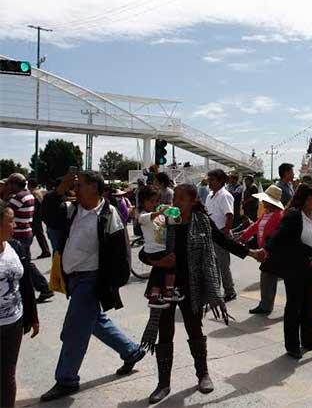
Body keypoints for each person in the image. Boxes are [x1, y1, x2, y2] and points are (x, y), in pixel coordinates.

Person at [142, 183, 262, 404]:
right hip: (163, 285)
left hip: (191, 286)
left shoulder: (202, 222)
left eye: (179, 198)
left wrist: (251, 253)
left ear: (193, 201)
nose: (174, 202)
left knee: (194, 328)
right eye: (174, 198)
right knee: (164, 331)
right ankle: (163, 383)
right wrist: (156, 260)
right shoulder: (164, 220)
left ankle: (203, 374)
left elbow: (224, 241)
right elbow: (145, 250)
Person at [40, 171, 145, 402]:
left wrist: (112, 284)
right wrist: (58, 190)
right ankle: (131, 351)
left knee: (74, 330)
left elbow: (121, 253)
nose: (75, 188)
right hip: (74, 279)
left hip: (91, 280)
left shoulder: (110, 215)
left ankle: (66, 380)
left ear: (95, 189)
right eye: (74, 185)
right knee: (94, 321)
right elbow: (46, 215)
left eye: (81, 185)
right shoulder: (71, 210)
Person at [262, 184, 312, 359]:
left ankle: (308, 339)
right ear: (305, 199)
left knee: (308, 303)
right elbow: (281, 237)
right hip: (296, 268)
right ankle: (292, 345)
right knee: (294, 306)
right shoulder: (294, 216)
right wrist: (266, 250)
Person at [0, 201, 40, 408]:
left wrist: (32, 317)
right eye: (10, 221)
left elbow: (25, 284)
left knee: (7, 375)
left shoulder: (15, 246)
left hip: (13, 323)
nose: (14, 225)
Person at [4, 173, 53, 302]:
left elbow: (5, 212)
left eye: (9, 184)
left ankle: (43, 288)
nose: (8, 186)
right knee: (25, 262)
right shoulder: (28, 195)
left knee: (23, 264)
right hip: (26, 232)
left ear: (15, 184)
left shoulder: (18, 197)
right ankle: (43, 288)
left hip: (19, 234)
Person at [137, 185, 184, 308]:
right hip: (152, 250)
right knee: (170, 264)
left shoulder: (161, 216)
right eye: (151, 201)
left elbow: (174, 221)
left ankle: (157, 294)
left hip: (162, 249)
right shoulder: (143, 215)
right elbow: (145, 218)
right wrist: (159, 211)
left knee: (162, 269)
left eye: (157, 201)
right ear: (143, 202)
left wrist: (176, 216)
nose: (155, 203)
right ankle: (166, 291)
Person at [244, 185, 285, 315]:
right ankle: (266, 304)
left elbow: (279, 234)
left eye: (266, 200)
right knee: (270, 277)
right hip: (267, 250)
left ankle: (266, 305)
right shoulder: (267, 214)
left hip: (275, 251)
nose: (263, 202)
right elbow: (255, 226)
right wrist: (244, 236)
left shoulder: (279, 215)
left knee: (268, 276)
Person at [204, 169, 237, 302]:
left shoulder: (224, 195)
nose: (209, 182)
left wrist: (224, 235)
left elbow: (229, 216)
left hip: (221, 233)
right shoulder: (210, 195)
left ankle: (230, 291)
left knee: (223, 265)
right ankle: (215, 291)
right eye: (209, 179)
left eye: (212, 180)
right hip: (211, 234)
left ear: (221, 181)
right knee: (212, 265)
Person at [27, 179, 51, 259]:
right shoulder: (39, 192)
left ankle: (24, 251)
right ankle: (45, 251)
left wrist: (31, 215)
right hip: (40, 216)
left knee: (30, 235)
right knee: (39, 234)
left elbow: (35, 206)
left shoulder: (33, 193)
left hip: (35, 217)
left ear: (30, 185)